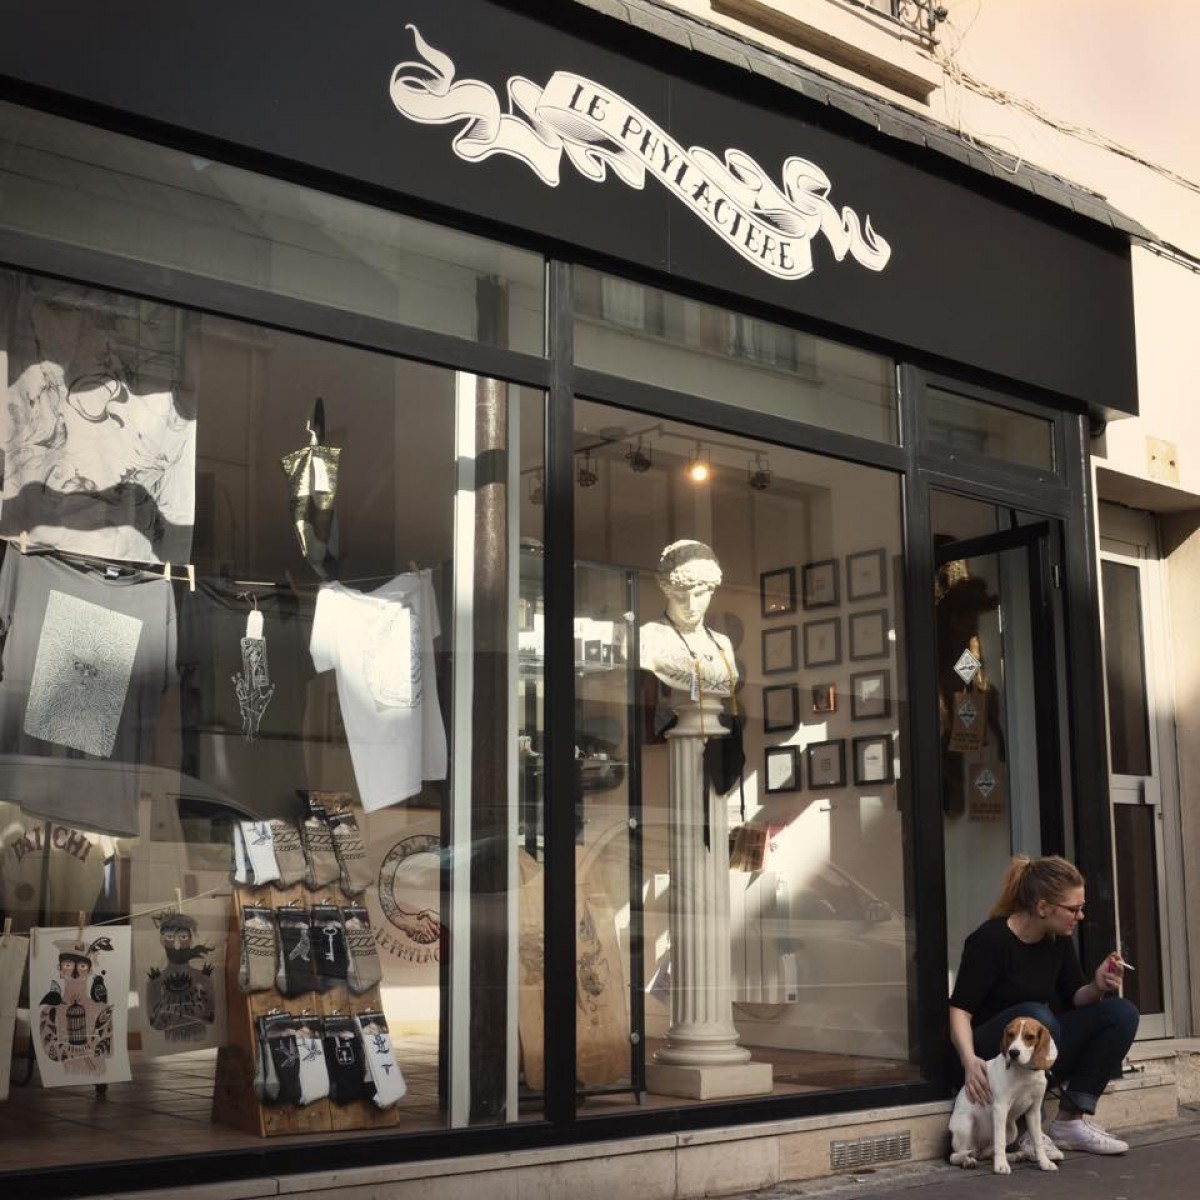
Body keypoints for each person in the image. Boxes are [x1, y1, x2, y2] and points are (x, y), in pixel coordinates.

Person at [949, 854, 1139, 1156]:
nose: (1080, 916)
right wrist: (969, 1061)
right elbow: (960, 1010)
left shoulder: (1056, 938)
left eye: (1082, 908)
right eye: (1073, 909)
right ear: (1042, 908)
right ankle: (1028, 1132)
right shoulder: (990, 940)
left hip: (1036, 1050)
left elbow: (1075, 997)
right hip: (993, 1055)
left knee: (1121, 1013)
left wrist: (1097, 985)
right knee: (1038, 1015)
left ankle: (1070, 1121)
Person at [639, 539, 737, 698]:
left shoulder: (722, 644)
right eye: (680, 596)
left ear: (711, 590)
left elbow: (729, 683)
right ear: (667, 591)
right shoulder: (647, 638)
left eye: (699, 594)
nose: (691, 606)